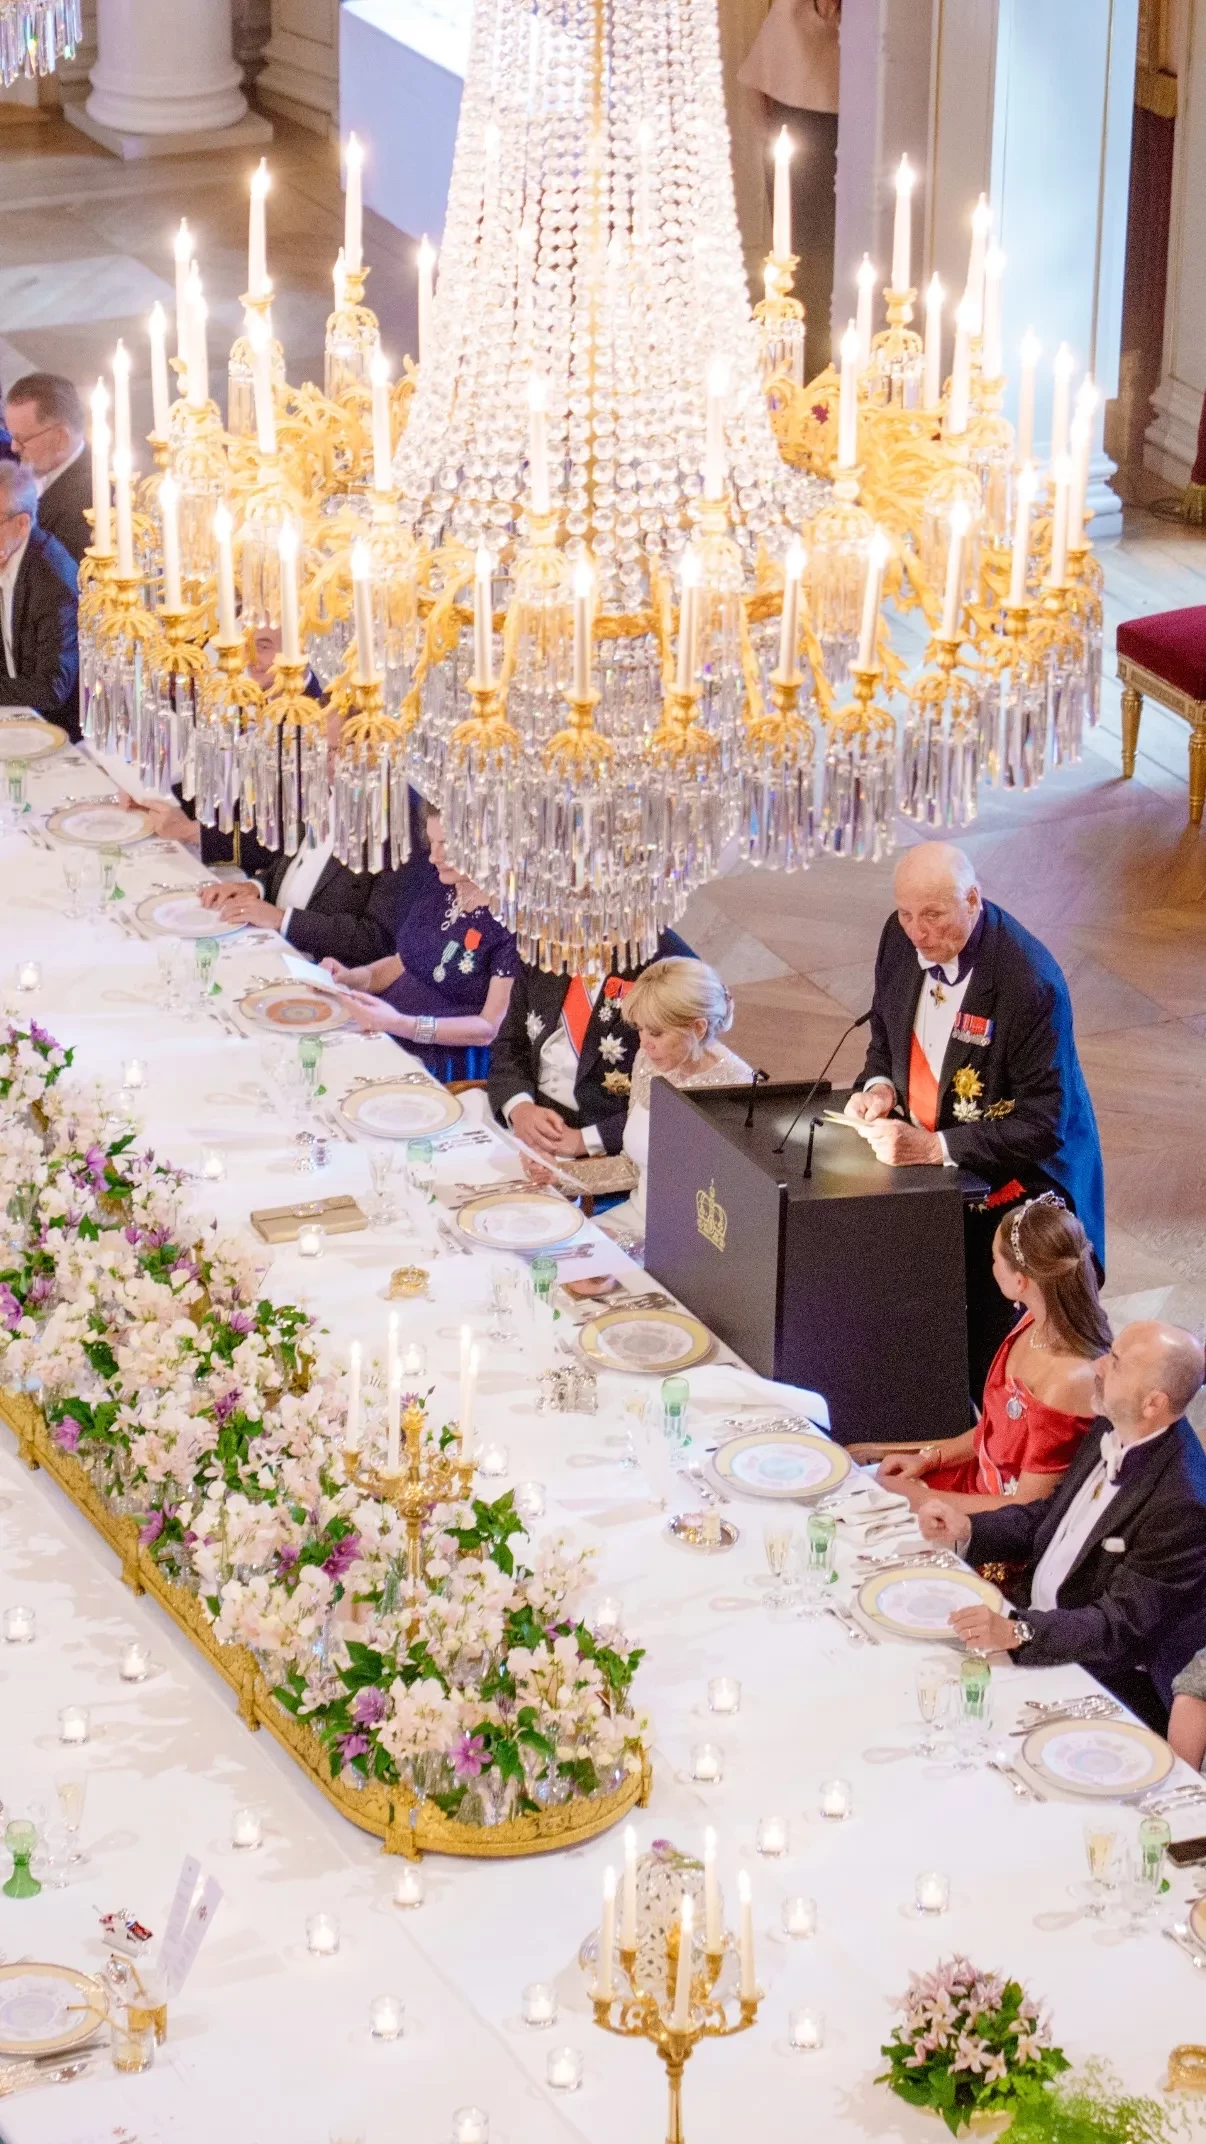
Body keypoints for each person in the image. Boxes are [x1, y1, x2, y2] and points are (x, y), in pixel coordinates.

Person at [844, 841, 1105, 1403]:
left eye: (932, 915)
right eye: (906, 914)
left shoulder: (1028, 982)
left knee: (988, 1344)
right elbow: (885, 1032)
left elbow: (1043, 1122)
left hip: (1022, 1177)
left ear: (972, 900)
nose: (917, 933)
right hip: (931, 1161)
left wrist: (933, 1148)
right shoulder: (899, 936)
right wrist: (878, 1086)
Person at [916, 1321, 1206, 1731]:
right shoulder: (1111, 1423)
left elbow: (1117, 1627)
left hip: (1097, 1679)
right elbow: (1049, 1517)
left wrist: (1019, 1632)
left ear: (1153, 1404)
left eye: (1115, 1362)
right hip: (1029, 1624)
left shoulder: (1182, 1504)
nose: (1098, 1366)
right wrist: (970, 1530)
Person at [847, 1195, 1109, 1516]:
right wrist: (929, 1458)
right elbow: (994, 1431)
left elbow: (1025, 1512)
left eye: (994, 1259)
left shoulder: (1067, 1381)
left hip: (995, 1524)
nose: (991, 1267)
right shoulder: (1032, 1322)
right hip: (971, 1483)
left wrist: (918, 1500)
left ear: (1021, 1281)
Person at [322, 806, 516, 1082]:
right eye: (432, 843)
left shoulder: (510, 922)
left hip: (443, 1059)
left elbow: (488, 1028)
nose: (434, 856)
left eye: (445, 845)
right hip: (390, 1028)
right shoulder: (440, 886)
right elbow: (401, 963)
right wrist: (348, 978)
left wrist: (403, 1025)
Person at [487, 928, 694, 1160]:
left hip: (610, 1146)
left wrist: (586, 1140)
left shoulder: (665, 955)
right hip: (529, 1121)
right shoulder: (550, 936)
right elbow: (510, 1042)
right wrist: (519, 1107)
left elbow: (678, 1093)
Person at [598, 959, 751, 1241]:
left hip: (691, 1241)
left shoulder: (739, 1087)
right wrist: (557, 1174)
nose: (644, 1043)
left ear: (698, 1028)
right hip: (632, 1216)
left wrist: (631, 1244)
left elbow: (731, 1209)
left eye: (656, 1033)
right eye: (640, 1029)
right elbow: (632, 1166)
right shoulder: (648, 1060)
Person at [739, 0, 840, 377]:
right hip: (797, 107)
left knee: (823, 258)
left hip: (840, 107)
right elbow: (762, 88)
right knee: (799, 255)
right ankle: (797, 372)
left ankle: (813, 371)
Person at [0, 459, 80, 737]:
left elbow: (52, 688)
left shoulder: (52, 579)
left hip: (55, 733)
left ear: (22, 524)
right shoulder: (8, 551)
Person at [4, 373, 91, 565]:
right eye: (12, 436)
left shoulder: (90, 499)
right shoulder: (39, 470)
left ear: (60, 438)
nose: (14, 448)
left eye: (22, 439)